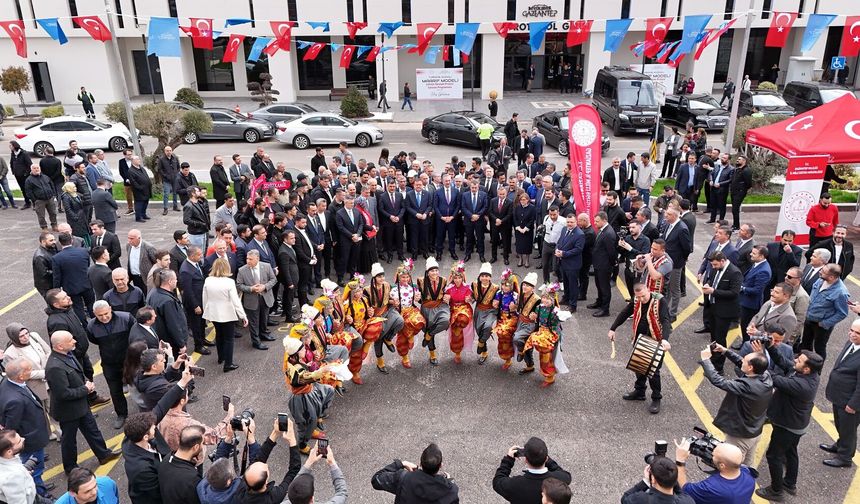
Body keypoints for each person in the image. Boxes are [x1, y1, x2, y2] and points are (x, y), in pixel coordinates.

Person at [45, 331, 121, 474]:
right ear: (60, 346)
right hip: (69, 411)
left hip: (81, 405)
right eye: (70, 340)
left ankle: (103, 454)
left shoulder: (67, 354)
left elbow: (76, 373)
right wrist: (85, 389)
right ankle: (70, 468)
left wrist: (85, 382)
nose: (74, 341)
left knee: (93, 431)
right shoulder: (55, 367)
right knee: (69, 441)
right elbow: (63, 393)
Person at [755, 349, 823, 500]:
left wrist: (760, 359)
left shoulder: (800, 385)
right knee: (790, 451)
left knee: (774, 456)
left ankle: (776, 490)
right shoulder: (811, 374)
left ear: (806, 369)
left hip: (787, 426)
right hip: (797, 424)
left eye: (799, 361)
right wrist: (771, 348)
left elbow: (775, 379)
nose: (795, 360)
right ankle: (790, 483)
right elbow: (786, 363)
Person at [699, 344, 772, 466]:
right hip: (754, 431)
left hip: (740, 436)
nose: (742, 359)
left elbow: (718, 381)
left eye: (745, 360)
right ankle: (748, 484)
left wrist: (706, 360)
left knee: (730, 466)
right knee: (748, 465)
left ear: (750, 367)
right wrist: (725, 351)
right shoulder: (765, 376)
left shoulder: (747, 386)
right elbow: (742, 364)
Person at [609, 283, 673, 413]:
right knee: (639, 365)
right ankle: (640, 391)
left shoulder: (660, 301)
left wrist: (665, 339)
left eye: (643, 296)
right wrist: (613, 328)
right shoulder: (637, 299)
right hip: (640, 338)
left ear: (648, 290)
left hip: (656, 339)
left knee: (653, 371)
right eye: (638, 297)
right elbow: (625, 312)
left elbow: (666, 320)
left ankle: (656, 398)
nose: (641, 299)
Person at [0, 359, 52, 499]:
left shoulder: (9, 383)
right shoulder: (15, 400)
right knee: (35, 470)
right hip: (30, 441)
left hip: (30, 436)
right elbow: (11, 429)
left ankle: (40, 485)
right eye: (29, 369)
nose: (32, 371)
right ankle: (41, 494)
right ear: (20, 376)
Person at [281, 337, 334, 455]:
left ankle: (313, 427)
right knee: (304, 422)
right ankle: (302, 445)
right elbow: (306, 377)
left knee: (328, 393)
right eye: (302, 348)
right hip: (301, 398)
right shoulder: (294, 367)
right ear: (296, 352)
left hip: (308, 391)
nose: (305, 350)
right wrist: (322, 370)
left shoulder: (295, 360)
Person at [87, 302, 134, 429]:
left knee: (139, 385)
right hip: (109, 364)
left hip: (129, 361)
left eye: (106, 313)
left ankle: (147, 408)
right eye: (100, 315)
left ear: (110, 309)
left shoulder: (126, 318)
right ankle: (122, 414)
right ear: (94, 314)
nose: (104, 317)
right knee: (115, 391)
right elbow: (94, 340)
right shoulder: (91, 326)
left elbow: (135, 334)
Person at [822, 318, 860, 468]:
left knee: (848, 429)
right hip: (839, 395)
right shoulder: (851, 343)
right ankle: (840, 444)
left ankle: (845, 457)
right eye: (851, 330)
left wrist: (854, 404)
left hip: (850, 401)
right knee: (840, 425)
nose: (852, 334)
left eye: (858, 333)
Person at [492, 437, 571, 503]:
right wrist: (544, 458)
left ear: (526, 460)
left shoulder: (514, 485)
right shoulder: (560, 480)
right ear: (546, 458)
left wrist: (508, 460)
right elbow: (564, 474)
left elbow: (497, 481)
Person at [371, 443, 459, 502]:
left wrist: (402, 463)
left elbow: (376, 480)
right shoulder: (451, 490)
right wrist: (448, 482)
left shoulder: (403, 478)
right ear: (440, 465)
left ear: (420, 463)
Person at [675, 440, 755, 504]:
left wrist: (680, 460)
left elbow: (684, 488)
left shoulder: (711, 487)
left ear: (722, 465)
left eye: (713, 455)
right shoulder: (749, 475)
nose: (711, 455)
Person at [700, 251, 743, 374]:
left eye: (715, 265)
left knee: (720, 339)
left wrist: (713, 291)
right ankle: (713, 359)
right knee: (713, 336)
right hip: (713, 308)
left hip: (725, 312)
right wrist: (708, 284)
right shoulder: (715, 268)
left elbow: (734, 293)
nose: (713, 267)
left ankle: (719, 367)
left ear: (723, 261)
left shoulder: (735, 272)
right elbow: (712, 281)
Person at [800, 263, 849, 360]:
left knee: (819, 349)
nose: (820, 272)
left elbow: (842, 313)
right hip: (809, 318)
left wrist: (824, 323)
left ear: (831, 277)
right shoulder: (821, 280)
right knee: (805, 343)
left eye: (823, 271)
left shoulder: (841, 292)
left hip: (821, 326)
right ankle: (804, 364)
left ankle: (817, 371)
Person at [237, 249, 278, 352]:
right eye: (247, 258)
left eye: (250, 259)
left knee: (264, 318)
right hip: (251, 300)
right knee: (254, 322)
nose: (248, 261)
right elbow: (239, 285)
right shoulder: (242, 270)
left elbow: (273, 280)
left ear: (257, 259)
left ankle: (264, 334)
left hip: (265, 297)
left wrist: (264, 286)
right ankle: (256, 342)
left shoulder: (267, 266)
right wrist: (251, 289)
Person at [158, 425, 205, 504]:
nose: (203, 446)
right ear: (196, 447)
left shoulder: (166, 460)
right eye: (202, 443)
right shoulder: (192, 479)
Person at [146, 269, 188, 358]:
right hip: (171, 343)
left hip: (161, 339)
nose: (177, 281)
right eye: (175, 279)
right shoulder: (167, 301)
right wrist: (181, 344)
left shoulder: (153, 292)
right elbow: (173, 325)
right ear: (170, 281)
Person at [621, 455, 694, 504]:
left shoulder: (642, 499)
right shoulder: (688, 501)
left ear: (653, 479)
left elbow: (625, 498)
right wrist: (670, 475)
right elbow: (680, 492)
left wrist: (645, 481)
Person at [588, 212, 617, 318]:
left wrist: (612, 264)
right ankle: (599, 302)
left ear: (604, 220)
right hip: (598, 264)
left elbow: (611, 252)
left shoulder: (609, 233)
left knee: (605, 288)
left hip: (604, 265)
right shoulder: (603, 230)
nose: (595, 223)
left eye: (597, 221)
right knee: (599, 285)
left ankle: (605, 309)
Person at [434, 175, 461, 261]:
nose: (448, 182)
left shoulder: (456, 191)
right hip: (441, 219)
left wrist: (452, 216)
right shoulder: (437, 192)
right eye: (446, 181)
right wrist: (441, 217)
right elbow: (435, 206)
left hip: (452, 219)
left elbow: (458, 205)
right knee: (440, 236)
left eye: (449, 180)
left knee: (452, 236)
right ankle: (439, 253)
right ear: (442, 181)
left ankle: (452, 251)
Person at [24, 164, 59, 231]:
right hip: (39, 201)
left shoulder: (45, 177)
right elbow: (28, 192)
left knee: (53, 213)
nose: (36, 169)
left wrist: (53, 194)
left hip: (50, 198)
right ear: (31, 170)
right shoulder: (29, 180)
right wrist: (35, 200)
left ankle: (54, 225)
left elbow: (51, 185)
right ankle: (44, 227)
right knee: (41, 216)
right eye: (34, 168)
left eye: (37, 168)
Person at [126, 156, 152, 222]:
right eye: (137, 159)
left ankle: (143, 214)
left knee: (145, 202)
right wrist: (140, 187)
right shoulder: (131, 171)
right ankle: (138, 217)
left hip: (146, 189)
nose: (139, 160)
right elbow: (133, 182)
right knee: (139, 204)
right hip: (139, 191)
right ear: (133, 161)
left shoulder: (141, 168)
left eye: (139, 159)